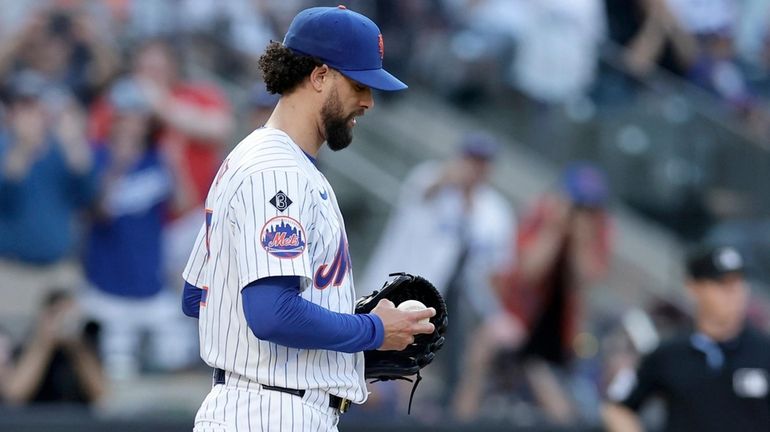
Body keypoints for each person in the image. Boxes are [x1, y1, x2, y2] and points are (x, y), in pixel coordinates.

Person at [181, 6, 436, 431]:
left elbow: (198, 296)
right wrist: (370, 329)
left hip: (264, 405)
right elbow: (270, 314)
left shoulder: (252, 158)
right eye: (358, 84)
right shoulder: (279, 172)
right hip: (272, 413)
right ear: (319, 76)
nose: (368, 101)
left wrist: (345, 331)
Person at [360, 131, 514, 411]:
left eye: (482, 162)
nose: (475, 167)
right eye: (471, 159)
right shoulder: (430, 177)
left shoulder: (495, 211)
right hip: (393, 291)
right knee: (373, 369)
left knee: (424, 376)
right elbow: (425, 192)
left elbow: (495, 270)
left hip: (452, 304)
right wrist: (451, 180)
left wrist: (495, 315)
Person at [453, 162, 613, 423]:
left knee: (542, 375)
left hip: (559, 334)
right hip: (517, 317)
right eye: (578, 204)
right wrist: (555, 229)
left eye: (589, 207)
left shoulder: (600, 227)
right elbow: (528, 273)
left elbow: (585, 280)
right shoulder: (542, 214)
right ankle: (459, 424)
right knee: (481, 353)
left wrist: (580, 240)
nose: (582, 212)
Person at [602, 245, 770, 432]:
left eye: (740, 282)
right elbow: (618, 407)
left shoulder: (764, 352)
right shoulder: (669, 353)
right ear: (694, 288)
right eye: (723, 284)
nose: (735, 293)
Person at [0, 70, 96, 339]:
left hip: (58, 273)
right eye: (23, 106)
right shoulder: (4, 146)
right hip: (12, 274)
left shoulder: (63, 148)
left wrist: (76, 145)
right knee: (13, 348)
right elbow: (5, 195)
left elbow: (91, 199)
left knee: (66, 348)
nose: (30, 114)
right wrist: (22, 149)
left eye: (35, 105)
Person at [0, 290, 105, 406]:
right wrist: (44, 342)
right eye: (56, 314)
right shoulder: (26, 350)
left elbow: (104, 397)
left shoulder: (89, 347)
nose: (62, 321)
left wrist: (77, 347)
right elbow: (14, 396)